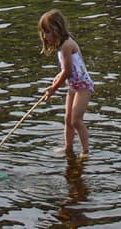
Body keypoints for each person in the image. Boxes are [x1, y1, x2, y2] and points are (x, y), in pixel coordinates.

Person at [39, 9, 93, 156]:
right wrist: (58, 76)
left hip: (83, 87)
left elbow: (68, 71)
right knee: (68, 119)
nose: (45, 36)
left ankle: (85, 152)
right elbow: (68, 69)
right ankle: (68, 148)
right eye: (43, 32)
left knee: (76, 120)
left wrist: (53, 89)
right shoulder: (61, 46)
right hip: (73, 86)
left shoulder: (67, 45)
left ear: (57, 29)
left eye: (48, 31)